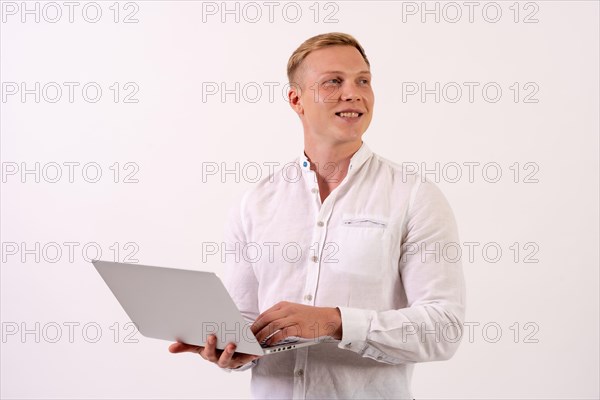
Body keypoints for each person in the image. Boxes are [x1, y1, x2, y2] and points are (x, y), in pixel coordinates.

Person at [169, 32, 466, 399]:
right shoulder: (255, 202)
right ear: (297, 100)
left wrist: (335, 322)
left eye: (363, 81)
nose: (353, 93)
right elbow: (245, 322)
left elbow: (444, 329)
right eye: (333, 82)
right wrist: (231, 352)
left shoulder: (414, 196)